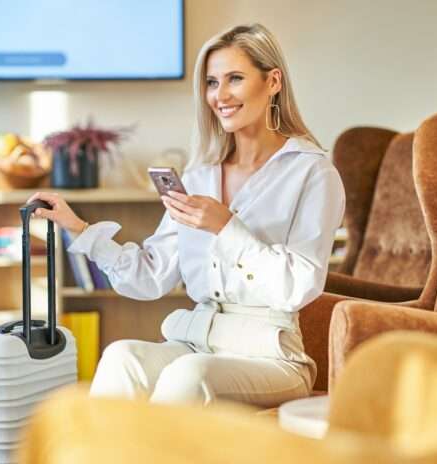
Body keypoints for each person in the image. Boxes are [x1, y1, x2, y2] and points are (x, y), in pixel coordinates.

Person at [27, 23, 345, 408]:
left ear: (273, 81)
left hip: (273, 357)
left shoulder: (312, 173)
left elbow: (298, 286)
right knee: (121, 356)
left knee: (188, 375)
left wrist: (226, 227)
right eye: (212, 82)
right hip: (200, 340)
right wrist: (77, 227)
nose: (220, 95)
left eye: (235, 79)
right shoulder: (199, 177)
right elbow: (150, 279)